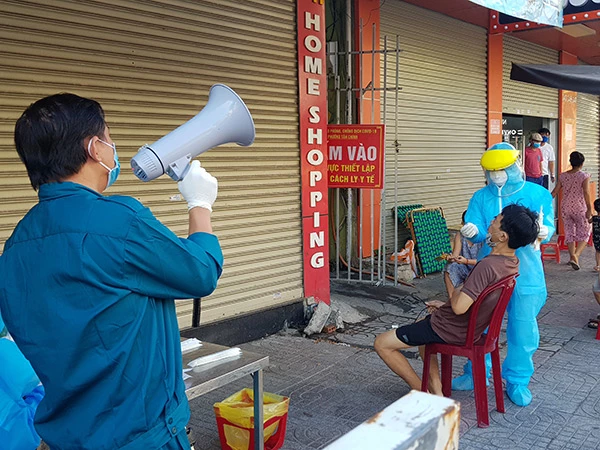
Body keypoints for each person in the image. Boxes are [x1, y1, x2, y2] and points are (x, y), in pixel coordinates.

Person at [0, 93, 223, 449]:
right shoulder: (119, 219)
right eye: (109, 138)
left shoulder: (16, 246)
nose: (113, 148)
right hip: (140, 437)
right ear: (94, 148)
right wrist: (200, 204)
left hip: (64, 438)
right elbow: (202, 272)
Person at [374, 205, 539, 396]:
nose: (491, 221)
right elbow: (474, 302)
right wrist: (444, 305)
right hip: (465, 326)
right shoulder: (512, 263)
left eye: (496, 219)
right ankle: (436, 389)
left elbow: (460, 308)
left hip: (452, 329)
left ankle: (420, 390)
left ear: (503, 237)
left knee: (382, 343)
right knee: (422, 325)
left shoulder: (487, 266)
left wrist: (454, 293)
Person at [455, 142, 554, 407]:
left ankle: (518, 380)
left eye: (502, 168)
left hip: (527, 274)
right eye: (491, 170)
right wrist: (471, 231)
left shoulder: (537, 193)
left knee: (522, 329)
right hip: (490, 271)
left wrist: (545, 231)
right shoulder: (481, 197)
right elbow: (477, 228)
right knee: (481, 323)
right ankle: (475, 371)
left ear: (514, 165)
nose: (497, 174)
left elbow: (548, 224)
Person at [552, 151, 592, 270]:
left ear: (571, 162)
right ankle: (576, 255)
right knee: (585, 231)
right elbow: (586, 192)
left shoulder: (563, 176)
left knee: (569, 232)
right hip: (580, 207)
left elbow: (555, 191)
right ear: (582, 163)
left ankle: (571, 257)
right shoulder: (584, 176)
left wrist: (544, 200)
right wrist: (590, 209)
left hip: (566, 207)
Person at [443, 211, 483, 298]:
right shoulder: (460, 235)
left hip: (479, 268)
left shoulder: (482, 237)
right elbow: (455, 255)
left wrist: (466, 261)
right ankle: (452, 300)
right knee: (450, 266)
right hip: (465, 266)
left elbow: (484, 261)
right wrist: (451, 258)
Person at [589, 198, 600, 272]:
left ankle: (598, 265)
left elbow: (589, 221)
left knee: (598, 252)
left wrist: (591, 215)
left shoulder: (594, 218)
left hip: (596, 239)